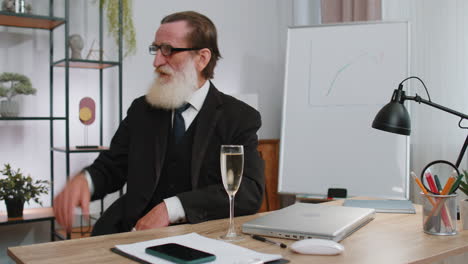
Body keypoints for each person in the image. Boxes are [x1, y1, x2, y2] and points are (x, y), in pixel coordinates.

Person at [53, 11, 265, 236]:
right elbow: (112, 167)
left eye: (169, 50)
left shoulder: (239, 117)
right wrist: (85, 181)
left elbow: (248, 192)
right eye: (156, 49)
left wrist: (171, 208)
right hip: (130, 232)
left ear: (202, 58)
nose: (156, 62)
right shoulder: (141, 110)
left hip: (201, 238)